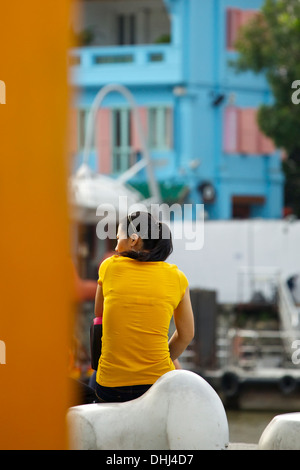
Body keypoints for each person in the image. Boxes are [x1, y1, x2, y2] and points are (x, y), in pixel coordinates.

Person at [93, 211, 194, 403]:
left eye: (118, 239)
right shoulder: (177, 278)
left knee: (94, 378)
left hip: (111, 388)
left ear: (133, 240)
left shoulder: (109, 267)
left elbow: (99, 314)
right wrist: (157, 360)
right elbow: (186, 335)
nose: (115, 247)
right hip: (157, 385)